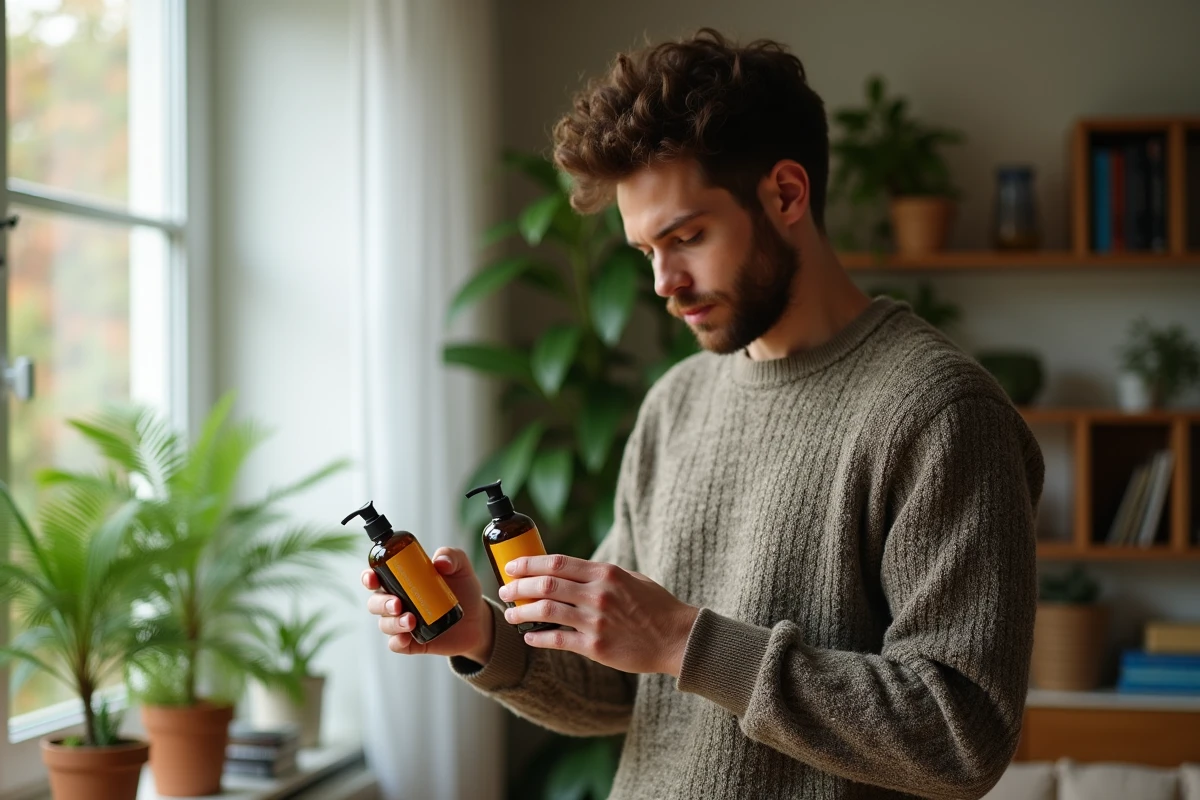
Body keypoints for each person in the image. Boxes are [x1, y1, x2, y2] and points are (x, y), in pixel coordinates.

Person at [362, 27, 1044, 800]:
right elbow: (627, 687)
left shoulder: (940, 413)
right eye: (645, 250)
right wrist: (485, 637)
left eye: (686, 238)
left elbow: (962, 735)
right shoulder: (675, 404)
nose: (662, 282)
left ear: (787, 194)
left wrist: (687, 640)